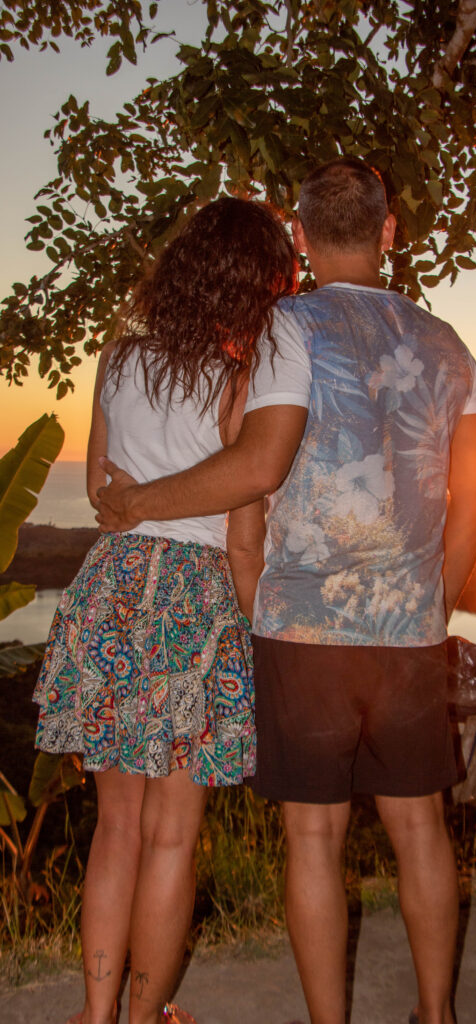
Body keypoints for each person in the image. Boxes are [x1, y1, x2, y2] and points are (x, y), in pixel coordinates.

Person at [95, 157, 476, 1024]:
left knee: (313, 837)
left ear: (302, 238)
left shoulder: (287, 326)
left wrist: (195, 548)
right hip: (407, 627)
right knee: (420, 826)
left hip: (304, 628)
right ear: (388, 230)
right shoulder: (449, 344)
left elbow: (256, 471)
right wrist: (435, 602)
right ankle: (437, 1015)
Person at [32, 196, 304, 1024]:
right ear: (255, 286)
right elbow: (244, 532)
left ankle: (96, 1012)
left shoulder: (117, 359)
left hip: (113, 586)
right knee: (172, 836)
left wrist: (135, 503)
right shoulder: (242, 381)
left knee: (115, 827)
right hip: (196, 599)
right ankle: (147, 1017)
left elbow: (100, 490)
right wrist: (262, 629)